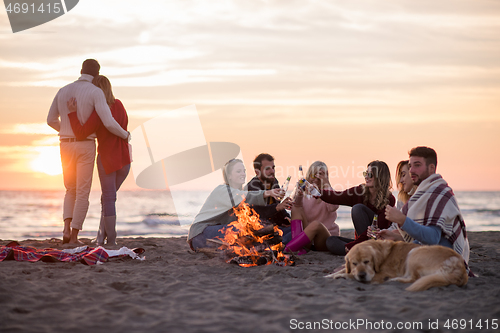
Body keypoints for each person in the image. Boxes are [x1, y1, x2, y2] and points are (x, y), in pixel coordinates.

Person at [47, 59, 130, 244]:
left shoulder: (63, 90)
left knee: (70, 189)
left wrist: (66, 128)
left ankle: (67, 229)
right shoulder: (99, 94)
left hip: (66, 144)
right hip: (97, 148)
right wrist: (125, 135)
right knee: (89, 193)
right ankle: (82, 237)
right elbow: (110, 123)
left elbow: (51, 120)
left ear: (81, 70)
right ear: (97, 74)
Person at [66, 75, 131, 246]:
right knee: (108, 198)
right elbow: (123, 127)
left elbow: (81, 133)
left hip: (108, 159)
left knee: (108, 198)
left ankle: (112, 238)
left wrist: (72, 113)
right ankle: (101, 236)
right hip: (125, 159)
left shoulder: (99, 112)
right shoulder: (120, 105)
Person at [285, 160, 395, 255]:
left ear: (380, 177)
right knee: (332, 241)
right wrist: (315, 192)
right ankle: (357, 249)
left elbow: (378, 228)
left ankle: (359, 248)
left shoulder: (389, 199)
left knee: (357, 209)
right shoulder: (359, 191)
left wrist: (353, 245)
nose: (366, 177)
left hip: (376, 240)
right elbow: (338, 197)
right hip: (359, 241)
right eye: (365, 173)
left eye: (370, 174)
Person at [384, 146, 470, 267]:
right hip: (430, 253)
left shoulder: (439, 193)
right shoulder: (424, 193)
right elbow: (421, 238)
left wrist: (402, 220)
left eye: (417, 165)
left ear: (431, 168)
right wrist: (394, 236)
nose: (412, 170)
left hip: (443, 261)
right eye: (410, 166)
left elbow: (433, 238)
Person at [188, 159, 282, 250]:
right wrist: (268, 193)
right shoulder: (222, 190)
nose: (243, 174)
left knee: (252, 230)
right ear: (229, 176)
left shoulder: (240, 193)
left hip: (219, 234)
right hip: (200, 234)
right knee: (240, 230)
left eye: (244, 171)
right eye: (238, 171)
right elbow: (244, 196)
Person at [244, 153, 292, 226]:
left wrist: (287, 219)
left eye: (273, 168)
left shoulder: (274, 182)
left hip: (275, 226)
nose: (272, 171)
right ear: (257, 172)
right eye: (267, 169)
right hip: (259, 229)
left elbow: (278, 206)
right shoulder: (252, 186)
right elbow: (258, 213)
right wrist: (278, 207)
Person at [376, 160, 416, 241]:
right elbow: (395, 225)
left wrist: (395, 234)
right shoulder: (402, 198)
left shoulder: (423, 199)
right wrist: (382, 232)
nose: (401, 180)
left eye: (403, 175)